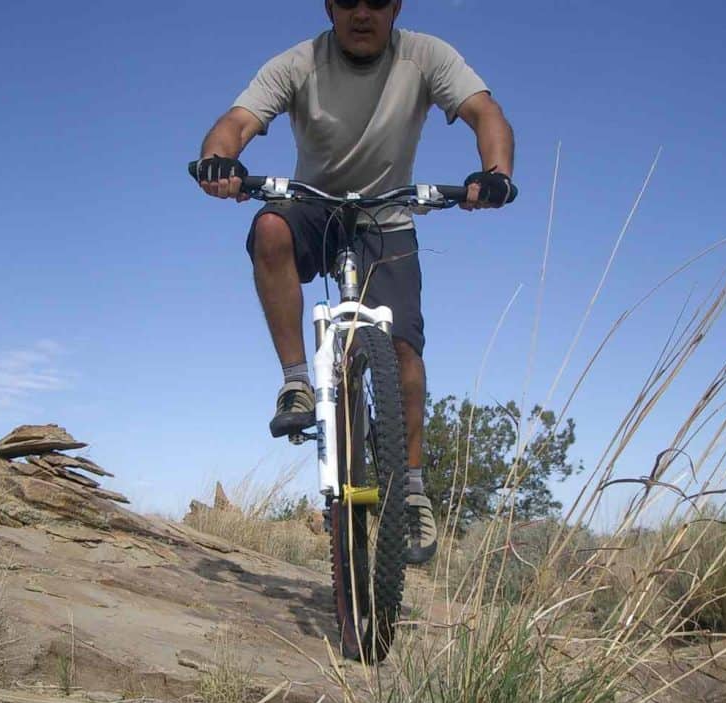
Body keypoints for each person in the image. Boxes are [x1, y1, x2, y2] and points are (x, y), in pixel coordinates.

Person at [190, 0, 516, 565]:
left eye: (377, 0)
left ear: (397, 6)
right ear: (328, 6)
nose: (361, 12)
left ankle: (411, 487)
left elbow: (486, 112)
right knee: (269, 227)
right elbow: (236, 122)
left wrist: (495, 175)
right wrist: (220, 161)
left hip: (387, 217)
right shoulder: (300, 63)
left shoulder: (425, 55)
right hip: (314, 207)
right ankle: (297, 380)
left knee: (404, 348)